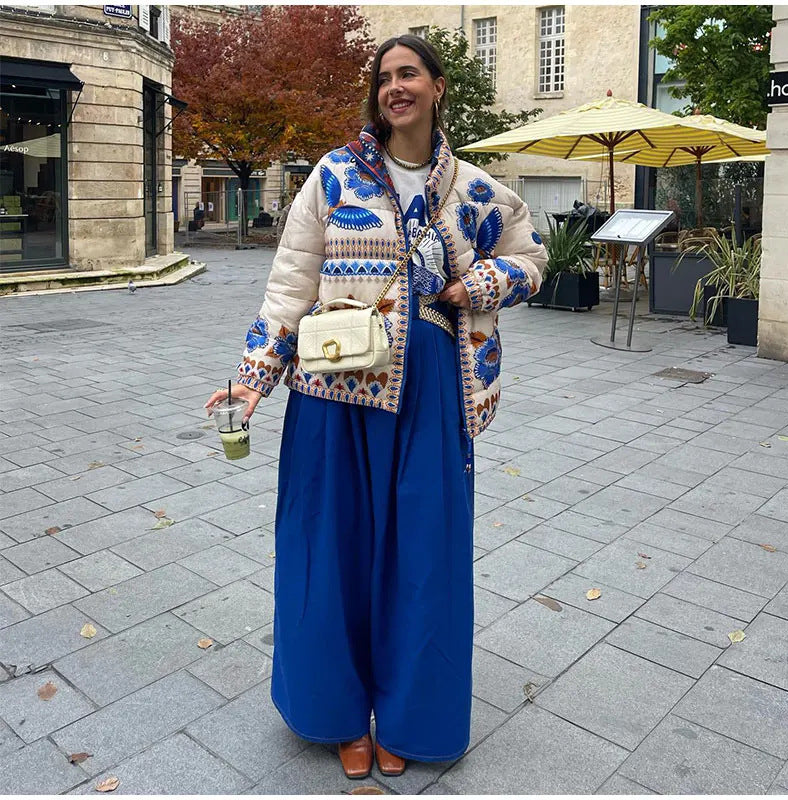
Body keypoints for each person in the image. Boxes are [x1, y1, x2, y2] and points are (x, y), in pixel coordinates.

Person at [205, 34, 547, 779]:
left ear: (437, 86)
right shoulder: (331, 177)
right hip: (335, 392)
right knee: (330, 553)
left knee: (428, 557)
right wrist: (251, 380)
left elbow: (531, 258)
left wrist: (478, 285)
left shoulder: (475, 189)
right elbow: (290, 286)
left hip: (433, 393)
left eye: (409, 74)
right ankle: (335, 715)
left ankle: (409, 715)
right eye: (385, 77)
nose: (396, 87)